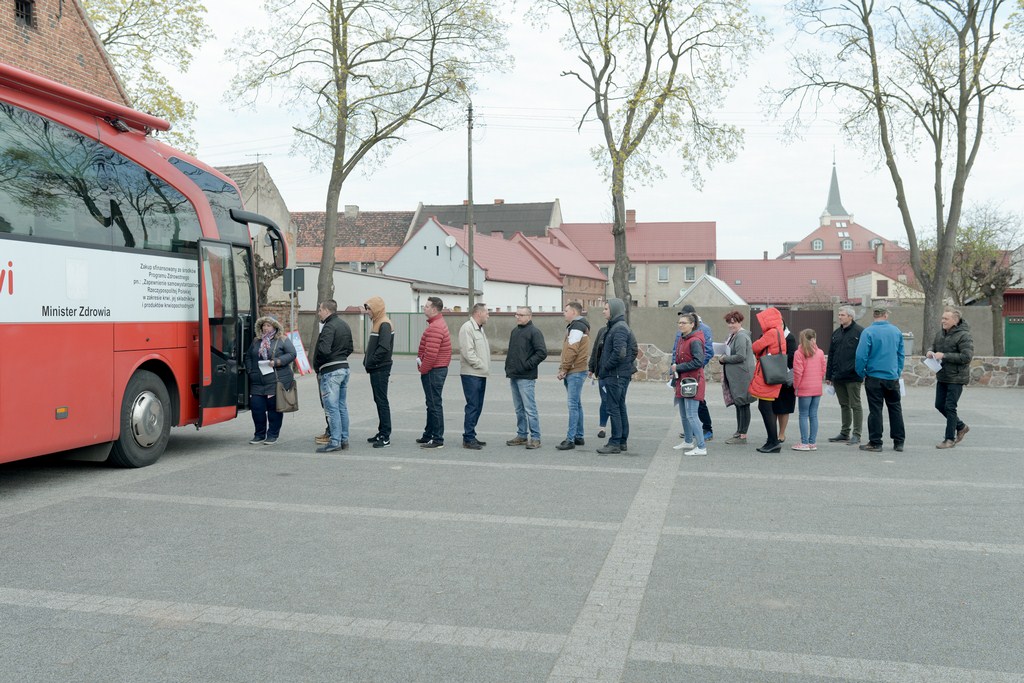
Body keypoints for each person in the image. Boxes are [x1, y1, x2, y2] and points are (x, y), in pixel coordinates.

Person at [855, 305, 906, 452]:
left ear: (874, 315)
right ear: (886, 315)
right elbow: (901, 354)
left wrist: (861, 372)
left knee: (876, 410)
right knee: (895, 408)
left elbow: (861, 355)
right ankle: (899, 441)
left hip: (874, 376)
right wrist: (897, 370)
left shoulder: (868, 332)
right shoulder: (896, 331)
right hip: (892, 376)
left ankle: (876, 442)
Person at [244, 315, 296, 446]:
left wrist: (278, 362)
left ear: (275, 327)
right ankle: (259, 434)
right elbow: (249, 356)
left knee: (273, 409)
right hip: (257, 381)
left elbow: (292, 354)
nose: (265, 328)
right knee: (257, 409)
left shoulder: (282, 340)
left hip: (275, 380)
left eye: (268, 325)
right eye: (264, 326)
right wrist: (250, 370)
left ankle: (272, 434)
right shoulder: (256, 341)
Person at [928, 308, 974, 449]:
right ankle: (961, 426)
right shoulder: (940, 334)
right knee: (939, 405)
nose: (943, 321)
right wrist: (930, 351)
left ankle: (949, 439)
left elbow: (967, 357)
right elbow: (934, 346)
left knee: (950, 407)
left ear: (955, 320)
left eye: (946, 319)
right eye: (942, 318)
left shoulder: (964, 336)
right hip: (942, 375)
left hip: (956, 377)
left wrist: (945, 356)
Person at [596, 298, 637, 455]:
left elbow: (621, 353)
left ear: (614, 310)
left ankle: (615, 442)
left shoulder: (619, 328)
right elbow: (632, 350)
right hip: (620, 374)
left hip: (616, 375)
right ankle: (621, 441)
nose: (603, 311)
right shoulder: (618, 326)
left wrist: (606, 367)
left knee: (614, 408)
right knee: (619, 407)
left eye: (606, 308)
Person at [313, 300, 353, 453]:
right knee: (342, 406)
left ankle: (334, 441)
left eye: (320, 310)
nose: (318, 313)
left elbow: (323, 350)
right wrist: (340, 357)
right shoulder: (344, 324)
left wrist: (320, 364)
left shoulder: (329, 326)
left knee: (332, 408)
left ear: (327, 310)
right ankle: (344, 439)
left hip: (331, 371)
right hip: (344, 368)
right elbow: (350, 348)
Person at [505, 306, 547, 450]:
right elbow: (512, 352)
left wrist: (527, 365)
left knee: (530, 409)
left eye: (521, 315)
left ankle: (535, 437)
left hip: (526, 376)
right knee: (519, 408)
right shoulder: (514, 331)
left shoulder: (534, 332)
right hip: (514, 375)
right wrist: (508, 368)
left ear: (529, 316)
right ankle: (522, 435)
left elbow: (541, 352)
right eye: (516, 314)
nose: (518, 317)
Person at [748, 307, 787, 453]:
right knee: (765, 407)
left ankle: (773, 441)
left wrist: (759, 339)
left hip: (767, 374)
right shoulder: (779, 332)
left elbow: (755, 346)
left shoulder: (771, 333)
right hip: (772, 372)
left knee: (765, 408)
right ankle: (772, 440)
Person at [825, 306, 864, 446]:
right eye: (839, 314)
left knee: (855, 405)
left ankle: (856, 434)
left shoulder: (860, 332)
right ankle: (844, 432)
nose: (839, 317)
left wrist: (860, 371)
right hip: (838, 376)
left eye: (842, 315)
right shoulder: (836, 333)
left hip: (853, 376)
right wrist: (829, 375)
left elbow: (864, 354)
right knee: (844, 405)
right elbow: (832, 355)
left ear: (850, 317)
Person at [416, 296, 451, 449]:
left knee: (434, 404)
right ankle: (428, 434)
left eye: (427, 306)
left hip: (434, 370)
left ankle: (437, 439)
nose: (424, 308)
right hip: (436, 369)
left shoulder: (435, 327)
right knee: (431, 403)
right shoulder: (436, 324)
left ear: (435, 309)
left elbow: (431, 354)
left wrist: (423, 369)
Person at [716, 310, 754, 445]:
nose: (731, 325)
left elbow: (740, 356)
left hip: (741, 376)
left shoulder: (741, 336)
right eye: (729, 323)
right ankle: (739, 432)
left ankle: (742, 435)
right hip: (738, 376)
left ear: (740, 322)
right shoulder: (735, 335)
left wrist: (724, 359)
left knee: (743, 404)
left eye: (734, 322)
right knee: (740, 404)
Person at [556, 302, 591, 450]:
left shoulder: (577, 326)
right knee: (577, 404)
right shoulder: (579, 325)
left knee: (573, 405)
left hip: (575, 370)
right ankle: (579, 436)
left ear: (574, 312)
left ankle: (570, 439)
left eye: (566, 310)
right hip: (577, 369)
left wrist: (564, 368)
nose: (564, 313)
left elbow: (572, 350)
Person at [672, 313, 707, 455]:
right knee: (684, 414)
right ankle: (688, 441)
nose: (681, 325)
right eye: (679, 322)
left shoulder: (695, 340)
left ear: (692, 324)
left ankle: (701, 446)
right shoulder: (682, 338)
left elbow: (699, 362)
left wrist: (678, 368)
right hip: (682, 380)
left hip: (693, 381)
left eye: (684, 323)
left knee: (692, 414)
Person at [680, 304, 714, 441]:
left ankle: (707, 429)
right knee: (687, 401)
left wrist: (697, 368)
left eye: (685, 318)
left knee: (699, 400)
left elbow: (708, 352)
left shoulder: (704, 329)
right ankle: (692, 431)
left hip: (694, 371)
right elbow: (677, 348)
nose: (681, 323)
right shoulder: (683, 329)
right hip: (683, 372)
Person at [363, 296, 394, 448]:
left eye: (369, 308)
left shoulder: (384, 324)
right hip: (376, 367)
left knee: (382, 401)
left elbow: (384, 347)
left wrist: (372, 361)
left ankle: (385, 435)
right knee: (379, 400)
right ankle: (381, 431)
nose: (367, 311)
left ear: (376, 309)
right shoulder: (378, 322)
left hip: (381, 368)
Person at [459, 302, 491, 450]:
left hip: (480, 374)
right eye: (487, 312)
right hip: (472, 374)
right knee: (472, 406)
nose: (488, 315)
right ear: (478, 313)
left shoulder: (479, 329)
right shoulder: (467, 328)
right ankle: (468, 438)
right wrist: (481, 365)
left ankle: (471, 434)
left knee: (478, 406)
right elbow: (468, 352)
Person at [792, 328, 826, 451]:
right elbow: (823, 370)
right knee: (813, 415)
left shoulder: (799, 353)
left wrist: (796, 386)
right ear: (814, 338)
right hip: (817, 388)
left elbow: (797, 372)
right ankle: (812, 442)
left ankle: (804, 442)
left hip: (804, 388)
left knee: (803, 415)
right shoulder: (820, 352)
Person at [773, 325, 798, 442]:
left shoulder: (790, 337)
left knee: (784, 407)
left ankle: (781, 433)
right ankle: (772, 433)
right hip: (772, 376)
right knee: (773, 407)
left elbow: (792, 356)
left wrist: (778, 364)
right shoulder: (768, 335)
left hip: (786, 376)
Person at [588, 322, 609, 440]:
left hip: (616, 375)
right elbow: (595, 350)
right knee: (605, 400)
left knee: (617, 403)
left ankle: (620, 432)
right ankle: (602, 427)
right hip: (602, 373)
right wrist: (591, 367)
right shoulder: (602, 331)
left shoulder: (622, 330)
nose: (604, 312)